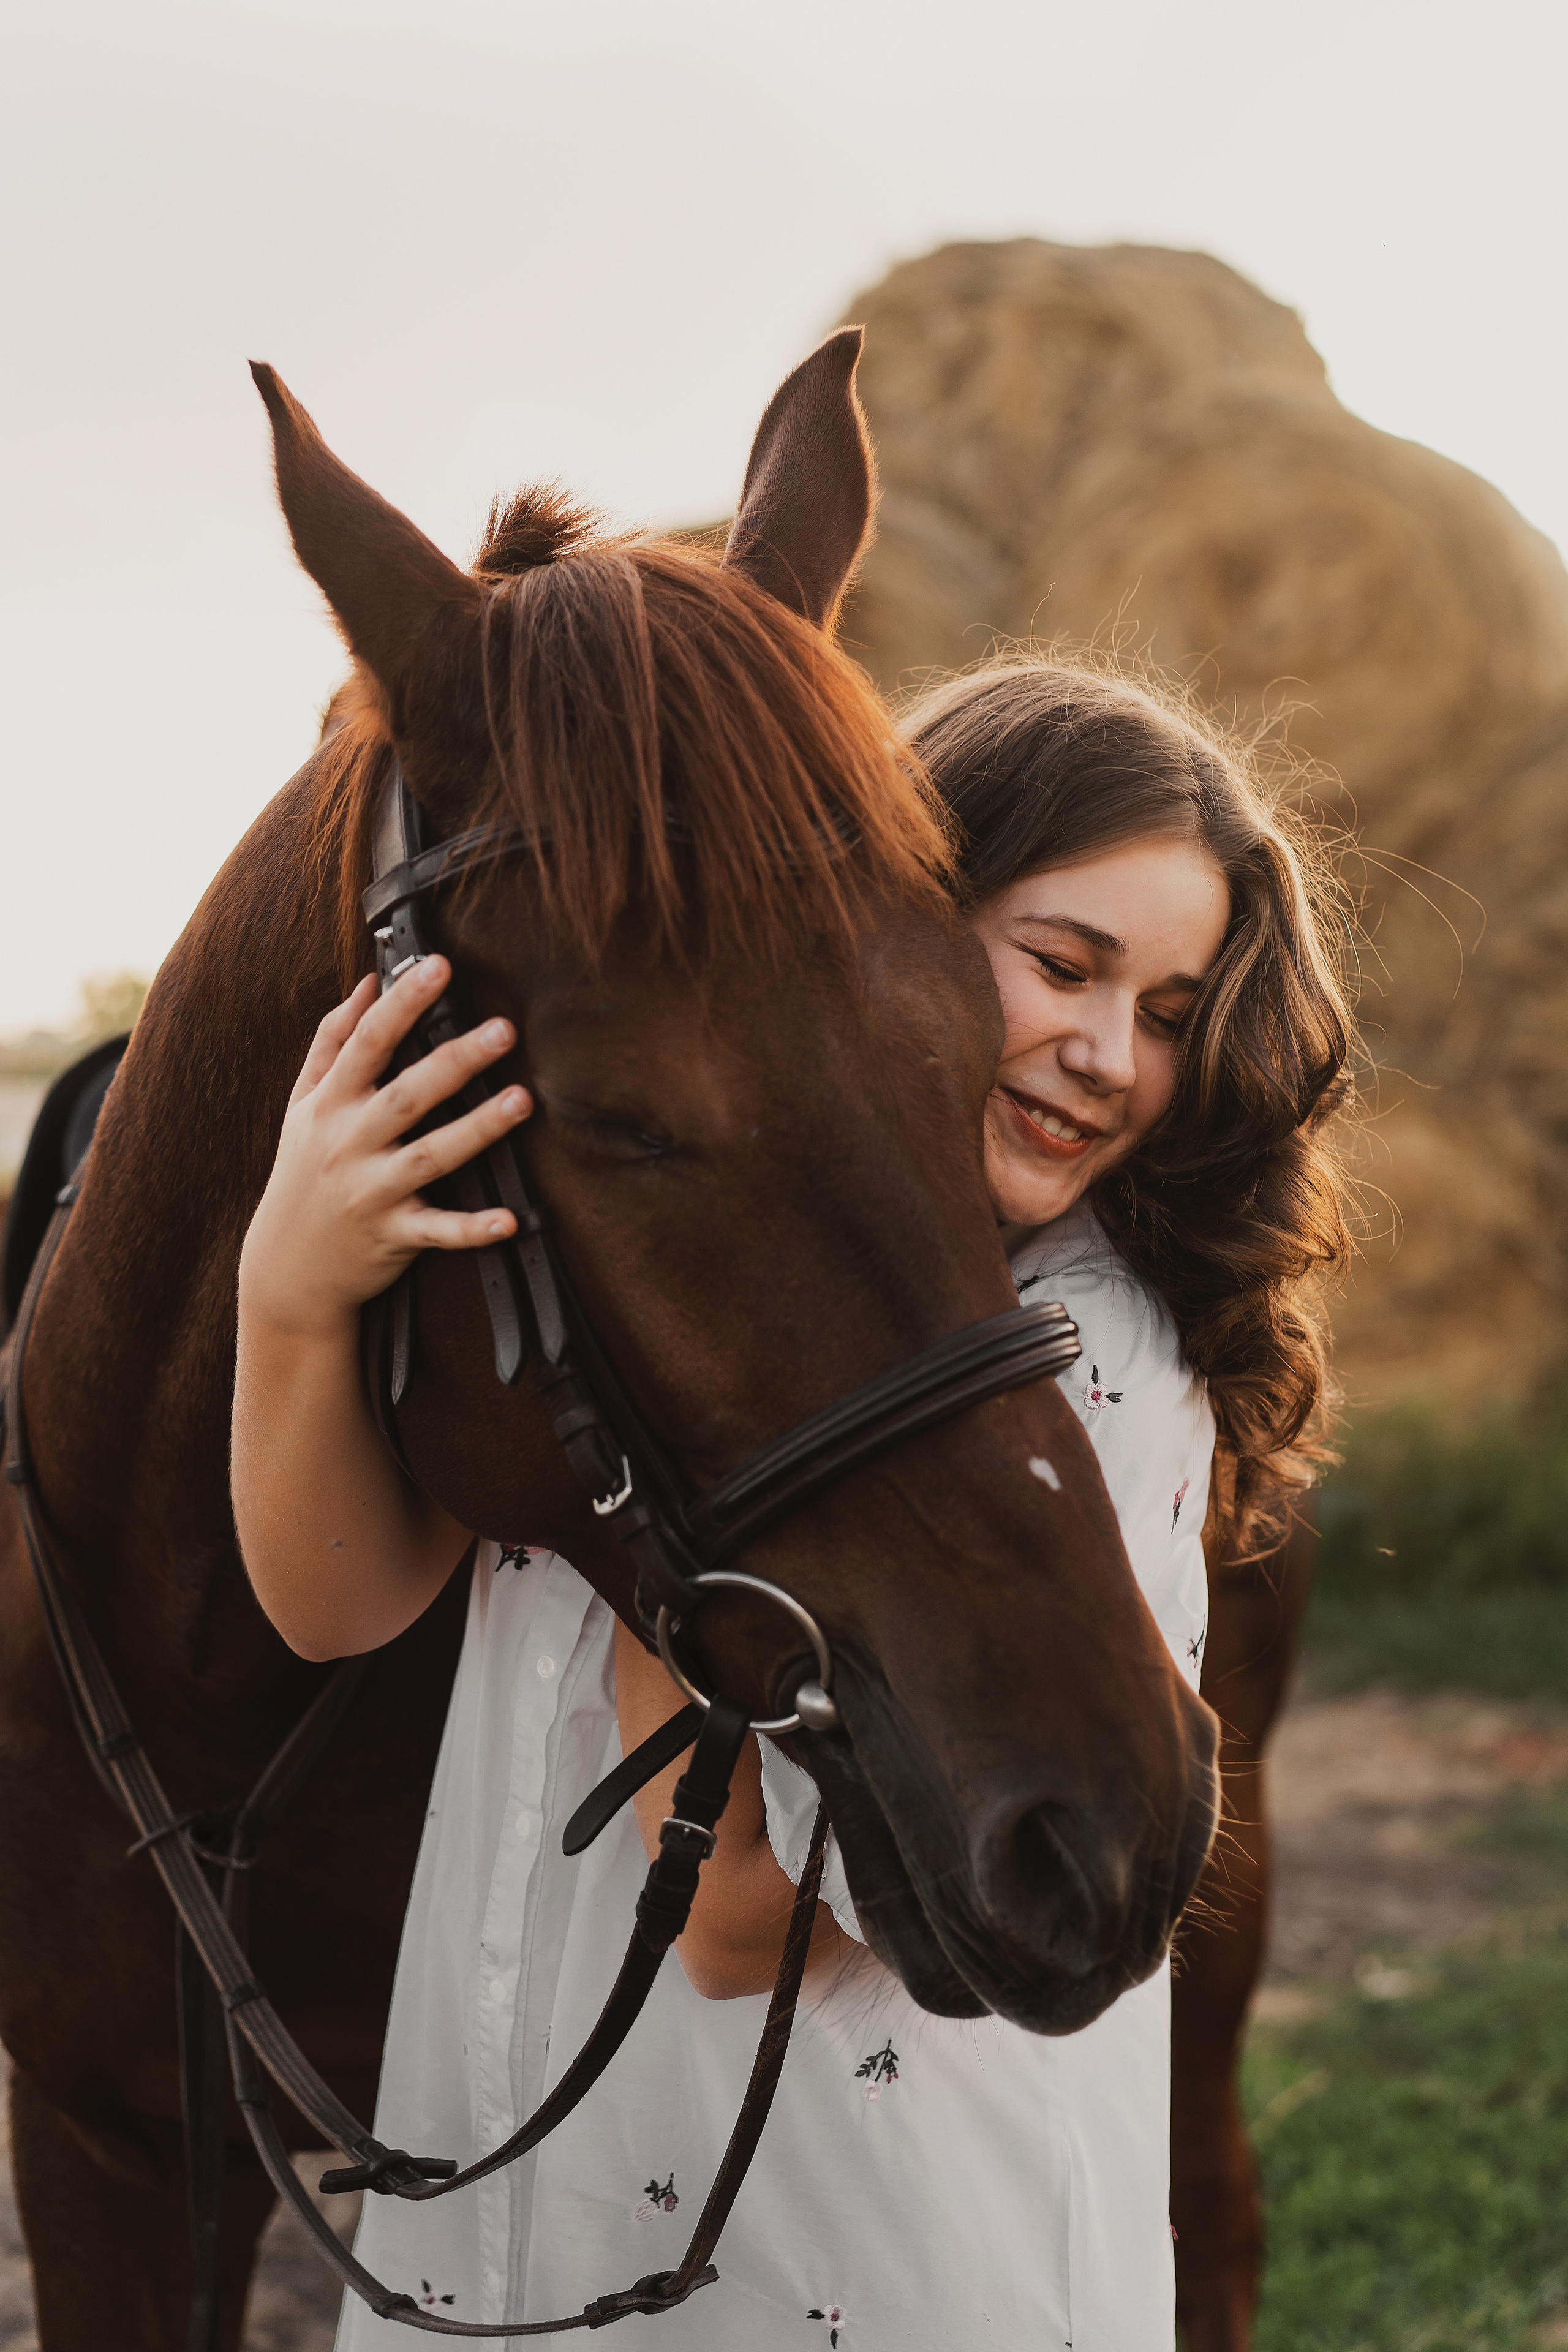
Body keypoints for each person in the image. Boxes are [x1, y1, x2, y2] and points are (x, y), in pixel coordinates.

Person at [232, 655, 1355, 2350]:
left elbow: (741, 1929)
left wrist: (658, 1500)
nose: (1109, 1052)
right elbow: (340, 1601)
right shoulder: (660, 1242)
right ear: (886, 925)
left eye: (1173, 1013)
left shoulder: (1091, 1360)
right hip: (526, 2199)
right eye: (1062, 964)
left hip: (842, 2267)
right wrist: (294, 1290)